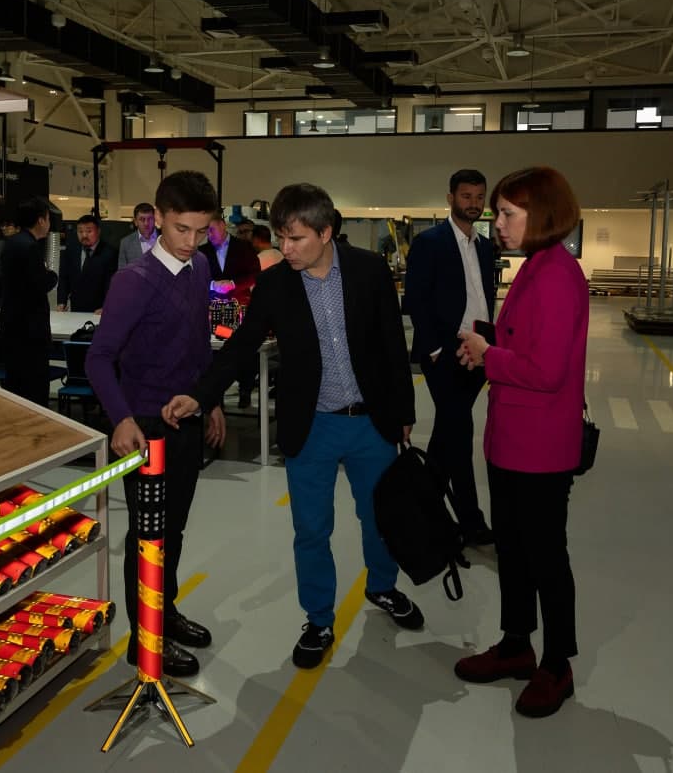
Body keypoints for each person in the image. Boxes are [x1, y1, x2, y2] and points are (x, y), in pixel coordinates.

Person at [162, 182, 423, 670]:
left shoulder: (368, 271)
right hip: (312, 425)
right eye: (281, 236)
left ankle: (383, 587)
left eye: (296, 238)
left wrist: (403, 412)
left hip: (371, 422)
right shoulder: (277, 283)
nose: (286, 248)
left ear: (326, 233)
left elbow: (392, 343)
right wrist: (201, 395)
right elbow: (242, 344)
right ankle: (319, 619)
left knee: (381, 517)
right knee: (311, 529)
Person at [453, 166, 587, 719]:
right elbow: (526, 344)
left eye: (508, 213)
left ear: (542, 214)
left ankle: (556, 664)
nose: (497, 223)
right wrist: (489, 343)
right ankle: (515, 643)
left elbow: (547, 370)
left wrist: (490, 356)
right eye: (498, 213)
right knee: (513, 548)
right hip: (513, 441)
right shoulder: (536, 266)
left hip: (539, 447)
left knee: (544, 555)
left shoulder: (556, 275)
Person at [85, 172, 226, 677]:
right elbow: (98, 359)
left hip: (186, 418)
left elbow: (199, 344)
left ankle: (164, 612)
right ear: (158, 218)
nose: (191, 241)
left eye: (201, 231)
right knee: (149, 535)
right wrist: (121, 418)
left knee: (175, 527)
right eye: (182, 229)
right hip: (144, 428)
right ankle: (144, 639)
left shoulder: (200, 266)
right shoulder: (134, 281)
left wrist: (210, 400)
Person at [403, 168, 497, 545]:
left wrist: (489, 346)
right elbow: (416, 300)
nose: (473, 203)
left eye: (479, 197)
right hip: (445, 353)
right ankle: (471, 522)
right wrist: (436, 350)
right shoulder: (430, 243)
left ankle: (421, 515)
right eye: (466, 196)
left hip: (479, 352)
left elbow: (484, 299)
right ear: (450, 199)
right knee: (459, 433)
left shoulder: (486, 247)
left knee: (447, 437)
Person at [0, 198, 58, 407]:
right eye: (48, 218)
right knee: (34, 389)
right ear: (41, 220)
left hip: (12, 326)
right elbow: (39, 284)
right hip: (30, 331)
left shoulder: (11, 244)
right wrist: (52, 276)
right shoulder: (30, 247)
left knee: (16, 388)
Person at [57, 214, 117, 314]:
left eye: (89, 231)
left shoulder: (110, 253)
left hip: (100, 310)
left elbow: (111, 284)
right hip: (76, 308)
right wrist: (61, 302)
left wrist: (107, 306)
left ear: (98, 231)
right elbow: (64, 278)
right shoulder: (70, 250)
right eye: (80, 231)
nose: (84, 235)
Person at [201, 213, 261, 305]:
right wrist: (212, 285)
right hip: (211, 307)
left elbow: (255, 274)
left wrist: (233, 284)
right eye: (206, 232)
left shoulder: (245, 247)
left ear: (222, 225)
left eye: (211, 230)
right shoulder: (201, 252)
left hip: (240, 304)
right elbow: (195, 278)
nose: (209, 235)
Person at [117, 202, 159, 269]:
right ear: (135, 222)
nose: (146, 223)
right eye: (142, 219)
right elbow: (122, 271)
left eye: (150, 219)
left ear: (155, 219)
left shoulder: (165, 238)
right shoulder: (126, 243)